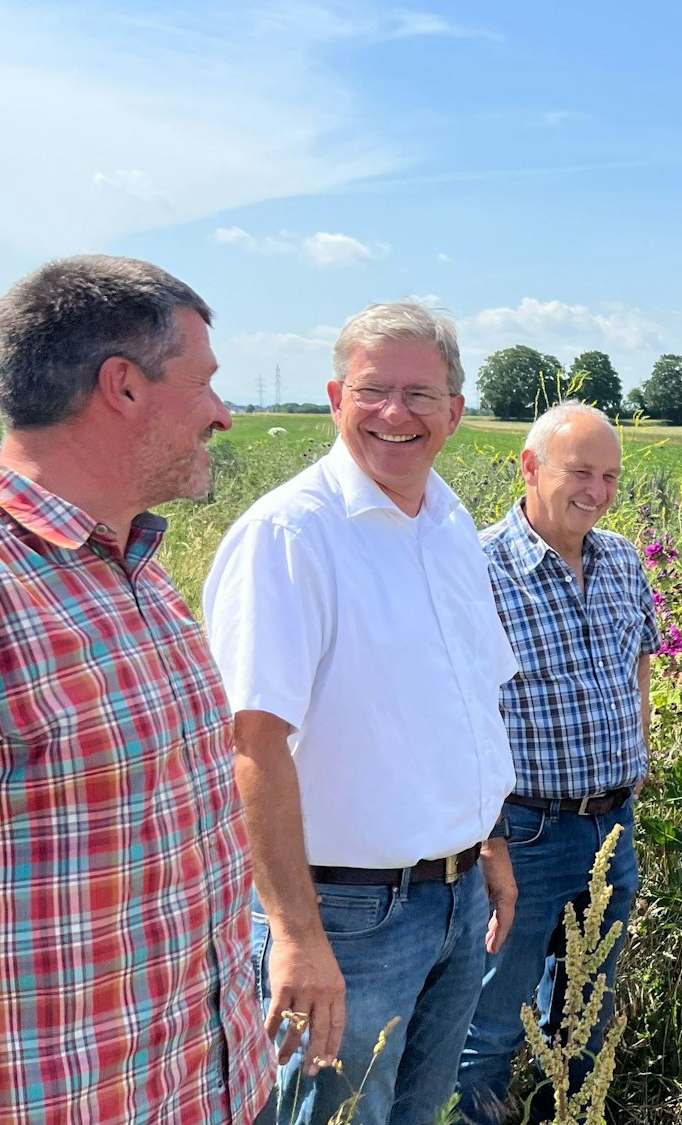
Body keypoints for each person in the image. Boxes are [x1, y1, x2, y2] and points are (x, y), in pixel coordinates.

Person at [0, 255, 264, 1123]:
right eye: (204, 382)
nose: (222, 411)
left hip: (199, 1086)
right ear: (123, 385)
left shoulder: (137, 568)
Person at [202, 302, 519, 1125]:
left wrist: (487, 842)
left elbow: (468, 703)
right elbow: (251, 745)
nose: (394, 412)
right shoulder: (291, 535)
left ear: (455, 410)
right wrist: (294, 933)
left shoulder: (449, 524)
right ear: (337, 397)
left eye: (420, 394)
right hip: (344, 916)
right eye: (373, 389)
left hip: (456, 898)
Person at [456, 401, 655, 1123]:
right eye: (580, 472)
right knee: (490, 1027)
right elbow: (459, 709)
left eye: (610, 476)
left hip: (611, 826)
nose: (597, 491)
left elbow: (640, 657)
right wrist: (489, 840)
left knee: (584, 1020)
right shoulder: (478, 567)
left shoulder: (621, 558)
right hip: (524, 833)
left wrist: (638, 746)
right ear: (530, 467)